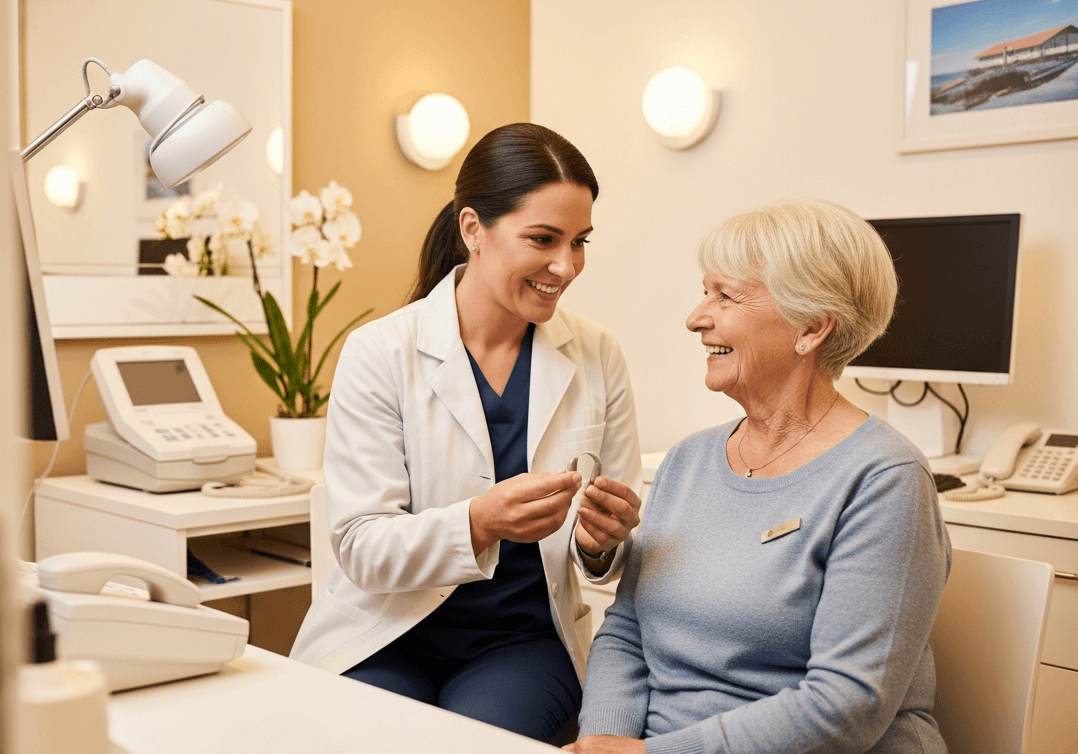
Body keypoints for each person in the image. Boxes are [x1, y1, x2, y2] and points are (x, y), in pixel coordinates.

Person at [288, 122, 644, 742]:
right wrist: (478, 522)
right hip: (384, 631)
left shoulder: (596, 354)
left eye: (580, 242)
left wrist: (601, 543)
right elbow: (361, 546)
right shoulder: (380, 352)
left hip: (523, 643)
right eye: (543, 239)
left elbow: (612, 563)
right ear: (473, 228)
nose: (566, 266)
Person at [570, 198, 951, 754]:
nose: (696, 317)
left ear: (811, 328)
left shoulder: (884, 479)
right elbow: (628, 630)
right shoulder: (688, 461)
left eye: (725, 296)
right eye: (705, 292)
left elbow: (847, 706)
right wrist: (604, 736)